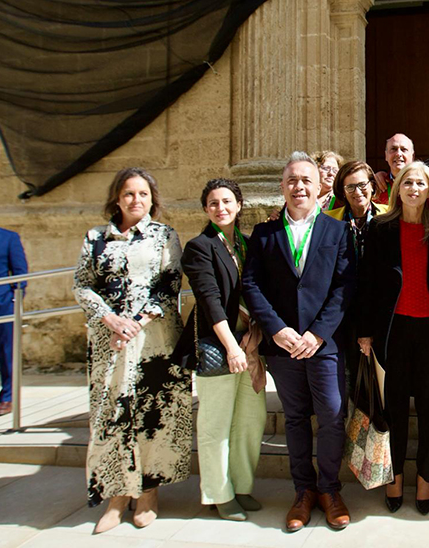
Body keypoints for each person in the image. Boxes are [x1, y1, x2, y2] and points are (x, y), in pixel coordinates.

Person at [241, 151, 356, 532]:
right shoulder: (264, 233)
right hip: (283, 344)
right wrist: (277, 329)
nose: (299, 186)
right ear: (282, 187)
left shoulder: (338, 231)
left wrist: (318, 333)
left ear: (321, 185)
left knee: (332, 414)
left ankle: (329, 489)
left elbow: (344, 287)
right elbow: (252, 285)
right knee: (294, 418)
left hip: (323, 344)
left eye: (307, 180)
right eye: (292, 180)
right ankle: (303, 491)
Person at [72, 167, 190, 533]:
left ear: (152, 199)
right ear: (117, 198)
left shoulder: (163, 236)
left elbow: (170, 285)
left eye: (142, 194)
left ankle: (149, 492)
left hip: (154, 342)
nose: (136, 200)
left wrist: (135, 321)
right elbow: (82, 285)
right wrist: (111, 319)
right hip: (110, 343)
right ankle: (117, 494)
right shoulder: (96, 238)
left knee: (152, 414)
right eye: (129, 194)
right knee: (111, 415)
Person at [357, 161, 429, 515]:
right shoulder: (380, 228)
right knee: (392, 408)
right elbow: (367, 283)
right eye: (407, 182)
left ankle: (425, 479)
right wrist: (364, 332)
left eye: (420, 183)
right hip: (392, 330)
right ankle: (393, 478)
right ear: (397, 189)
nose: (413, 188)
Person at [173, 178, 266, 521]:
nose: (221, 208)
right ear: (206, 209)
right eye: (213, 203)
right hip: (221, 344)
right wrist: (231, 347)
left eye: (227, 201)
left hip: (251, 345)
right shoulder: (200, 247)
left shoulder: (248, 244)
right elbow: (210, 301)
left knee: (250, 420)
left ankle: (241, 486)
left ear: (239, 204)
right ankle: (219, 492)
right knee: (216, 424)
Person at [326, 161, 389, 399]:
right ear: (342, 191)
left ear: (373, 186)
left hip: (380, 309)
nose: (357, 192)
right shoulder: (328, 221)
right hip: (342, 311)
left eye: (362, 184)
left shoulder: (389, 216)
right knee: (347, 376)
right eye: (350, 187)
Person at [0, 227, 27, 417]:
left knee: (7, 353)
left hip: (2, 305)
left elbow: (20, 272)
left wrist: (15, 300)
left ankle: (8, 397)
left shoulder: (8, 237)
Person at [374, 133, 415, 205]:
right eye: (393, 149)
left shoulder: (423, 185)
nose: (398, 154)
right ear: (386, 156)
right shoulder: (378, 187)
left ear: (412, 156)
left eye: (404, 149)